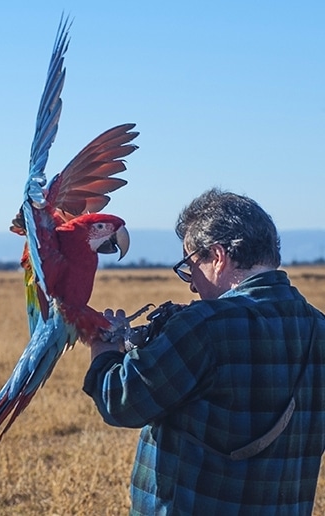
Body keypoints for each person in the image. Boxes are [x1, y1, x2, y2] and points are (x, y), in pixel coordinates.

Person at [83, 188, 325, 515]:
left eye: (190, 266)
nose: (192, 285)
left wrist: (106, 349)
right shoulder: (319, 327)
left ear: (218, 256)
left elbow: (121, 402)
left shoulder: (205, 326)